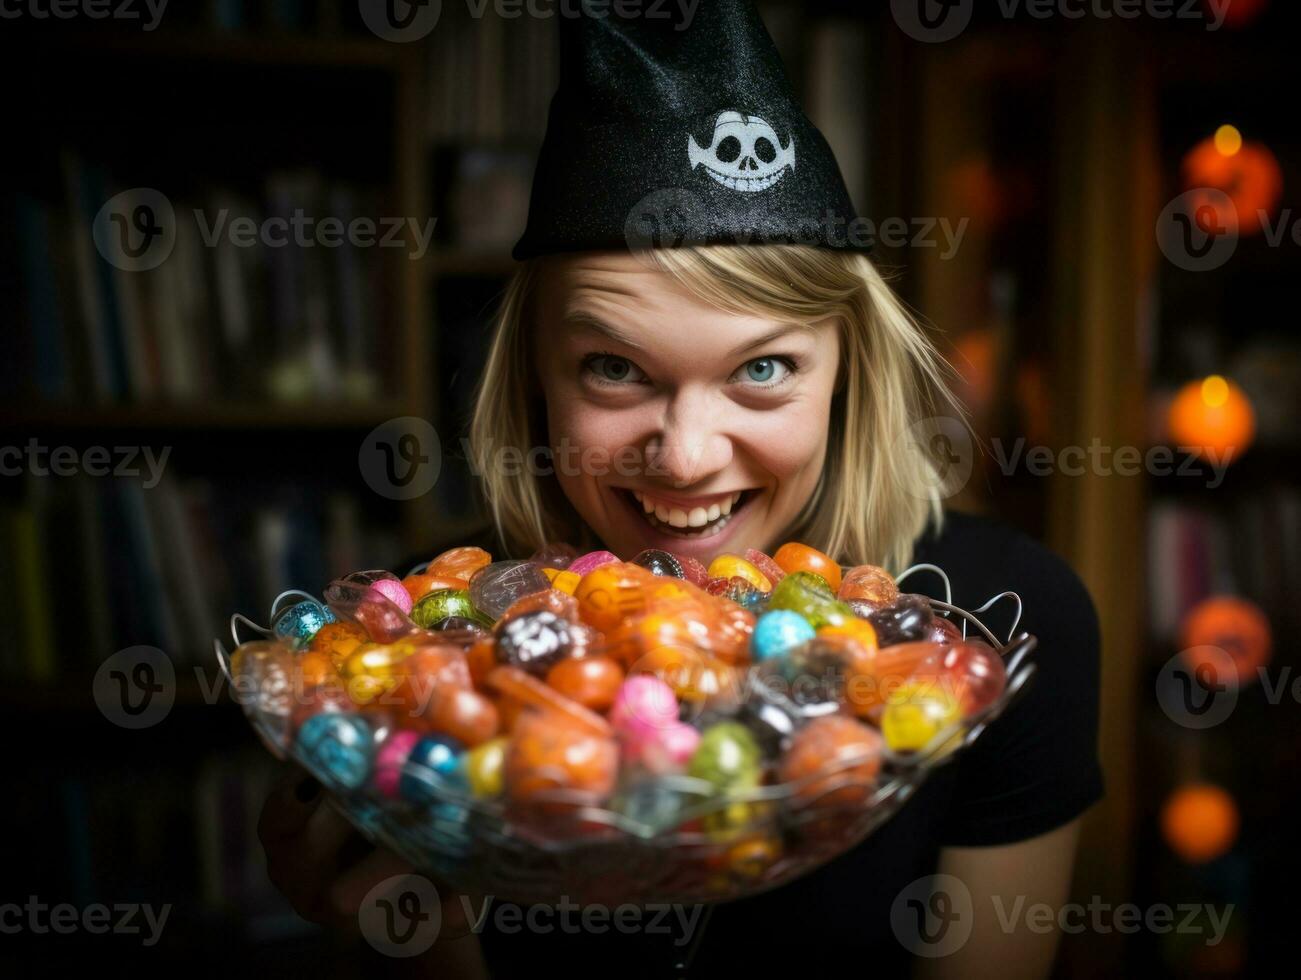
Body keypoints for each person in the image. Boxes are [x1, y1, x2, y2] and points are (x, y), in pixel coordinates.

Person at [259, 2, 1103, 976]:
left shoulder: (996, 626)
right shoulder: (421, 652)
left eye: (763, 368)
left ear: (848, 369)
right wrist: (421, 930)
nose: (686, 457)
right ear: (532, 368)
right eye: (614, 368)